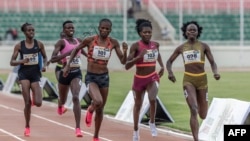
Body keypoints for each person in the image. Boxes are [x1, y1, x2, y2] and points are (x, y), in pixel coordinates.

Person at [63, 18, 128, 141]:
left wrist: (125, 51)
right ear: (99, 28)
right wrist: (67, 65)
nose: (104, 30)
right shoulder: (90, 40)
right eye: (102, 28)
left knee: (101, 108)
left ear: (110, 30)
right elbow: (76, 49)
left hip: (104, 77)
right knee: (98, 102)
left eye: (107, 29)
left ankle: (96, 136)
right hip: (91, 77)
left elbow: (123, 61)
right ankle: (90, 109)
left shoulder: (113, 42)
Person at [166, 21, 220, 141]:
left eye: (194, 30)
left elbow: (212, 62)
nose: (191, 32)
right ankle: (196, 139)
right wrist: (170, 72)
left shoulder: (204, 46)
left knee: (203, 115)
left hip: (202, 80)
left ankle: (204, 104)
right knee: (193, 109)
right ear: (185, 32)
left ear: (197, 32)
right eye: (189, 30)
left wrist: (215, 72)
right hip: (188, 80)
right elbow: (169, 61)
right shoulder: (181, 48)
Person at [124, 19, 164, 141]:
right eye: (145, 32)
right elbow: (127, 65)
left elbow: (158, 55)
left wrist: (162, 65)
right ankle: (136, 130)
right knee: (138, 105)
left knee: (152, 99)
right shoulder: (136, 46)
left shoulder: (155, 45)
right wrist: (139, 57)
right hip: (139, 80)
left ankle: (152, 122)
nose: (147, 34)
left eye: (149, 32)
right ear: (140, 33)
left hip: (152, 77)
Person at [48, 20, 87, 137]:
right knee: (63, 99)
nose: (71, 29)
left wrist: (90, 56)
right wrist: (68, 53)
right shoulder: (61, 43)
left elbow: (85, 52)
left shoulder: (79, 41)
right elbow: (53, 59)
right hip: (64, 73)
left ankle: (78, 128)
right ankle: (60, 105)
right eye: (68, 28)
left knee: (75, 97)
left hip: (76, 73)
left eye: (72, 28)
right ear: (64, 30)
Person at [9, 22, 48, 137]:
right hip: (24, 75)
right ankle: (27, 126)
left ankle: (33, 96)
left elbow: (45, 57)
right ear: (24, 32)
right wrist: (21, 61)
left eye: (33, 30)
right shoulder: (19, 46)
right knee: (27, 103)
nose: (31, 32)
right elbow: (12, 62)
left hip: (35, 74)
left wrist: (45, 66)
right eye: (29, 30)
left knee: (38, 103)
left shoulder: (39, 44)